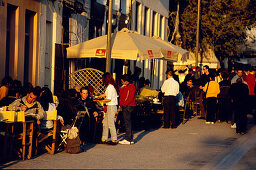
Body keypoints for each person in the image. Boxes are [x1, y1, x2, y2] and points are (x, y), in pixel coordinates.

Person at [97, 72, 118, 145]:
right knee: (105, 123)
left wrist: (100, 100)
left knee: (110, 123)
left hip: (111, 106)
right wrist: (100, 96)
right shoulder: (110, 86)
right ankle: (104, 138)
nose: (102, 80)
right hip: (111, 106)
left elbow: (108, 99)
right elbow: (107, 94)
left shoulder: (110, 87)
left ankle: (114, 139)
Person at [119, 75, 136, 145]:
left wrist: (124, 103)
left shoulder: (130, 87)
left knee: (127, 122)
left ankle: (128, 138)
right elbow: (120, 93)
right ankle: (130, 138)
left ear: (126, 81)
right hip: (128, 105)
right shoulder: (128, 86)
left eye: (122, 81)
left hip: (127, 105)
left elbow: (129, 97)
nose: (122, 82)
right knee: (129, 122)